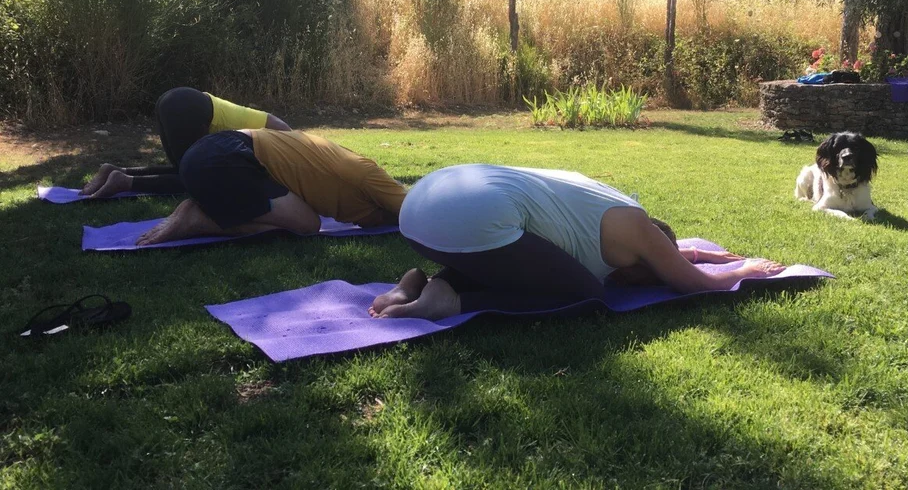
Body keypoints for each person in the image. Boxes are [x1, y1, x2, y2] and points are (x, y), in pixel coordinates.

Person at [370, 164, 785, 320]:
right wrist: (744, 271)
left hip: (419, 210)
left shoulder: (604, 201)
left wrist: (697, 252)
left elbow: (521, 259)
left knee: (518, 255)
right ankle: (451, 302)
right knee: (587, 292)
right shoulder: (639, 228)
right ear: (652, 252)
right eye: (652, 272)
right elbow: (694, 283)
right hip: (470, 214)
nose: (639, 281)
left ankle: (419, 282)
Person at [134, 128, 407, 246]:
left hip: (214, 153)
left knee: (299, 216)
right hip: (223, 161)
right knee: (306, 225)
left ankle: (207, 207)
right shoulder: (370, 177)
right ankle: (199, 219)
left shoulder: (345, 176)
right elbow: (415, 209)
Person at [81, 87, 292, 198]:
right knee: (195, 180)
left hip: (175, 100)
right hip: (188, 107)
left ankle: (117, 171)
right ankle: (125, 182)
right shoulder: (283, 133)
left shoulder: (276, 128)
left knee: (181, 170)